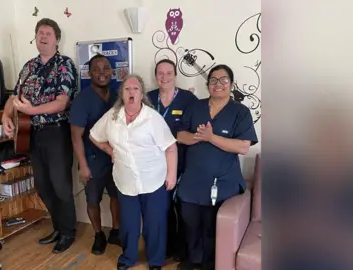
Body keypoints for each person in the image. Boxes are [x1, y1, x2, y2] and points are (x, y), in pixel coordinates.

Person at [2, 18, 78, 254]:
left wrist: (31, 110)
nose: (43, 37)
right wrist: (6, 115)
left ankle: (68, 232)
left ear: (57, 39)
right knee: (43, 186)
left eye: (48, 33)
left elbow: (61, 103)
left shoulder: (64, 65)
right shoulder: (28, 67)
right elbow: (14, 97)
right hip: (31, 133)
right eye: (39, 33)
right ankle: (58, 227)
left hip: (56, 133)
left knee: (61, 185)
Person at [89, 74, 178, 270]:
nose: (131, 92)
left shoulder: (152, 118)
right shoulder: (113, 116)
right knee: (129, 224)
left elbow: (171, 147)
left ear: (141, 94)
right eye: (127, 89)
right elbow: (94, 135)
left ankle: (155, 261)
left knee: (154, 224)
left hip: (153, 179)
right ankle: (128, 258)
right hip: (125, 180)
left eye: (135, 89)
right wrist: (109, 150)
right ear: (121, 93)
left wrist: (171, 175)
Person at [175, 64, 258, 270]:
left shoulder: (240, 111)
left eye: (223, 80)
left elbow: (243, 146)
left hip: (223, 182)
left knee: (213, 227)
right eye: (213, 80)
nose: (218, 84)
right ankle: (193, 260)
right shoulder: (196, 107)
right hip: (192, 181)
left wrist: (211, 138)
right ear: (208, 84)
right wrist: (198, 136)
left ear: (231, 84)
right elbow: (179, 135)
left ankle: (211, 263)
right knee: (190, 223)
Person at [69, 54, 121, 255]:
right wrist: (83, 165)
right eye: (97, 69)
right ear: (89, 73)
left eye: (106, 68)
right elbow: (75, 136)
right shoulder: (82, 100)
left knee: (117, 197)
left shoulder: (118, 95)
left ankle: (116, 231)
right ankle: (99, 234)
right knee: (93, 200)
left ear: (112, 72)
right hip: (92, 160)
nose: (102, 73)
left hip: (115, 159)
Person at [147, 59, 198, 262]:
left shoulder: (188, 99)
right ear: (155, 75)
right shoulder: (148, 98)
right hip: (154, 165)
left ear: (175, 76)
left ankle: (182, 250)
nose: (164, 77)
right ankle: (166, 247)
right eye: (160, 73)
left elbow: (193, 133)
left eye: (169, 73)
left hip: (182, 163)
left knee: (182, 208)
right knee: (162, 208)